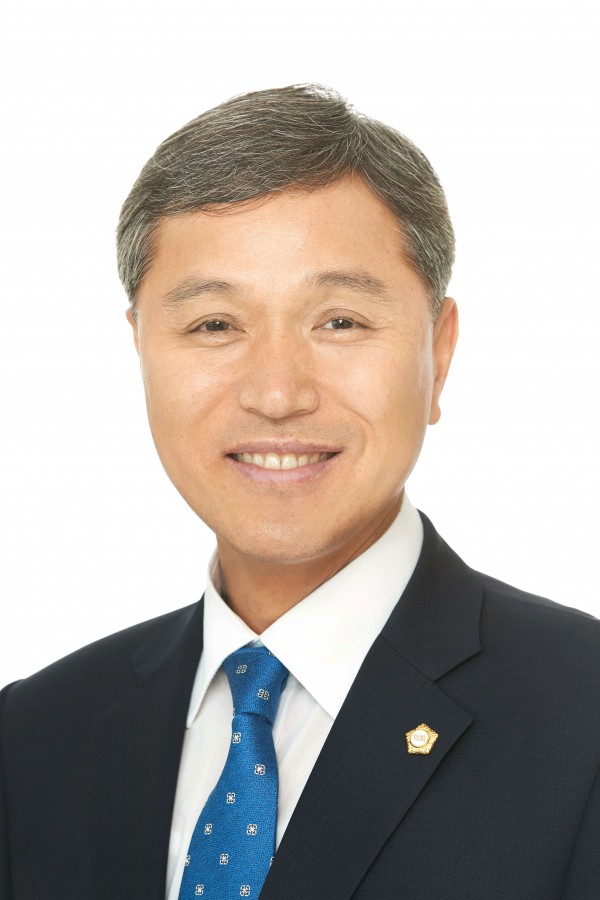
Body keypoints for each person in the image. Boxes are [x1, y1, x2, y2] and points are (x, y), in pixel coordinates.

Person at [1, 84, 598, 900]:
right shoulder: (34, 737)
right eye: (215, 325)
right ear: (140, 348)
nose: (277, 394)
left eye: (339, 321)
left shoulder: (582, 718)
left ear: (439, 352)